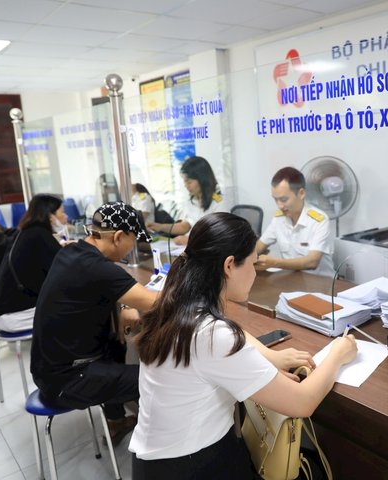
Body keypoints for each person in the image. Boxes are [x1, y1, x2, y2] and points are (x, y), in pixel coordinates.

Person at [129, 212, 357, 479]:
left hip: (157, 461)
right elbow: (302, 402)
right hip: (191, 466)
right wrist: (338, 354)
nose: (255, 272)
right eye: (253, 263)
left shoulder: (176, 304)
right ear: (229, 265)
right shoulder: (212, 335)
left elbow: (226, 335)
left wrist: (268, 355)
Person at [31, 201, 159, 445]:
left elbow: (103, 287)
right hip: (67, 380)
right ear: (118, 237)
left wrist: (124, 306)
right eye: (133, 241)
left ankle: (116, 421)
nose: (132, 248)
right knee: (157, 379)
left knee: (115, 344)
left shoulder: (72, 252)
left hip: (46, 369)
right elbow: (154, 302)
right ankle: (154, 448)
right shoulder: (97, 268)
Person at [0, 194, 67, 332]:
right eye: (62, 212)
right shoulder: (39, 235)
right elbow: (65, 270)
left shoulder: (31, 232)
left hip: (0, 311)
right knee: (73, 308)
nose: (66, 217)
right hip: (12, 316)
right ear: (50, 216)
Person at [256, 167, 335, 277]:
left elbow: (312, 262)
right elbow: (259, 246)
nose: (279, 206)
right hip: (292, 279)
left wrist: (274, 263)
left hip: (321, 283)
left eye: (283, 200)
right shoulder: (279, 219)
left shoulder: (319, 221)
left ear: (301, 193)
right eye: (275, 199)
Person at [147, 156, 228, 246]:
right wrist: (160, 227)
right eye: (184, 181)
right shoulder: (191, 201)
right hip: (191, 248)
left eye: (189, 182)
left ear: (202, 180)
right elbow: (185, 226)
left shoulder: (218, 203)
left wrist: (190, 241)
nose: (186, 185)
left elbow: (219, 235)